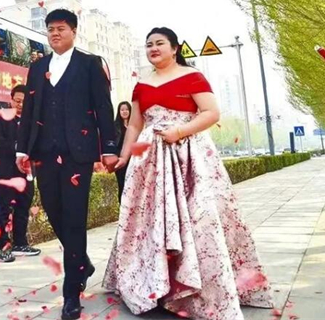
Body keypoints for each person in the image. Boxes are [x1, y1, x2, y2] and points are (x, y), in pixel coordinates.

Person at [103, 27, 273, 320]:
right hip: (151, 160)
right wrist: (125, 156)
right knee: (149, 219)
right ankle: (155, 284)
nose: (153, 48)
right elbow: (135, 125)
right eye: (149, 44)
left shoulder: (192, 76)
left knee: (199, 217)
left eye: (159, 43)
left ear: (175, 48)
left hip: (189, 156)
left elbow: (211, 113)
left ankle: (200, 288)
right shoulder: (141, 85)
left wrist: (180, 131)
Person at [15, 8, 118, 320]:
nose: (55, 33)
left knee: (74, 218)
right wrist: (22, 149)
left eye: (61, 28)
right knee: (53, 210)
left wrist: (109, 147)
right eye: (50, 29)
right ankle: (82, 262)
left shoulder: (90, 64)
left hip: (78, 154)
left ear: (74, 31)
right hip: (43, 152)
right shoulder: (37, 68)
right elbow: (29, 110)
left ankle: (71, 291)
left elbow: (103, 107)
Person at [0, 84, 41, 262]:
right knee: (2, 209)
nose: (20, 105)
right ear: (11, 100)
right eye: (17, 101)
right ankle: (1, 247)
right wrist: (20, 150)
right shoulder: (1, 117)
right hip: (6, 171)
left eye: (24, 102)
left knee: (23, 207)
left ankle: (20, 243)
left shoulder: (32, 121)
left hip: (26, 172)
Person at [113, 101, 132, 201]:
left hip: (133, 158)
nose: (124, 112)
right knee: (122, 184)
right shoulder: (115, 126)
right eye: (122, 110)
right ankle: (122, 205)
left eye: (127, 109)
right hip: (120, 159)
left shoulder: (134, 127)